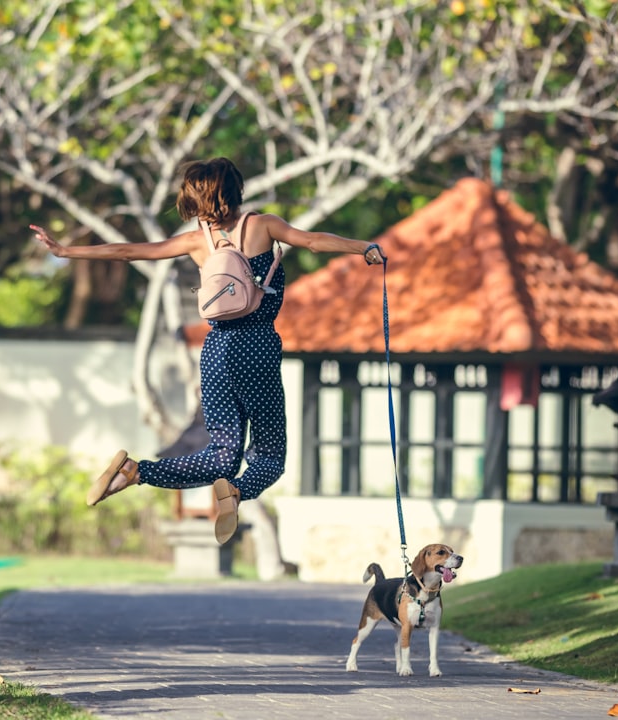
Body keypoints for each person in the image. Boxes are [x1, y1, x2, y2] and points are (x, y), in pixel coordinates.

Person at [30, 157, 386, 544]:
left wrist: (66, 252)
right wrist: (363, 247)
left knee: (221, 454)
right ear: (236, 191)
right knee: (269, 455)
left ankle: (135, 472)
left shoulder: (196, 241)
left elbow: (130, 251)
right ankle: (236, 492)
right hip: (256, 346)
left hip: (215, 351)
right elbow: (314, 241)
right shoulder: (263, 225)